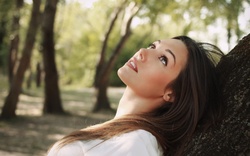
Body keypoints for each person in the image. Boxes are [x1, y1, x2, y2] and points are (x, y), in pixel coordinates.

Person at [47, 36, 224, 156]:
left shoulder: (136, 143)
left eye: (163, 59)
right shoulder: (124, 134)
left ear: (172, 93)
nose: (142, 52)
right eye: (153, 46)